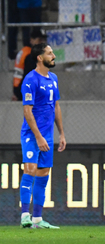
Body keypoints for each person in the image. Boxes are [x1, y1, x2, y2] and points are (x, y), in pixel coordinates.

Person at [19, 43, 66, 229]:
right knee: (30, 170)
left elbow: (56, 106)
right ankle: (24, 215)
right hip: (32, 135)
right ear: (40, 57)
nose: (53, 55)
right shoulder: (30, 80)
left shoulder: (53, 78)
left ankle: (37, 219)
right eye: (50, 53)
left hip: (48, 135)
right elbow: (27, 111)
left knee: (43, 175)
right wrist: (38, 137)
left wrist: (61, 133)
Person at [12, 30, 48, 101]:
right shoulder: (31, 56)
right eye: (40, 40)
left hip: (18, 88)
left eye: (44, 40)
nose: (42, 43)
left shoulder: (24, 51)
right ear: (31, 40)